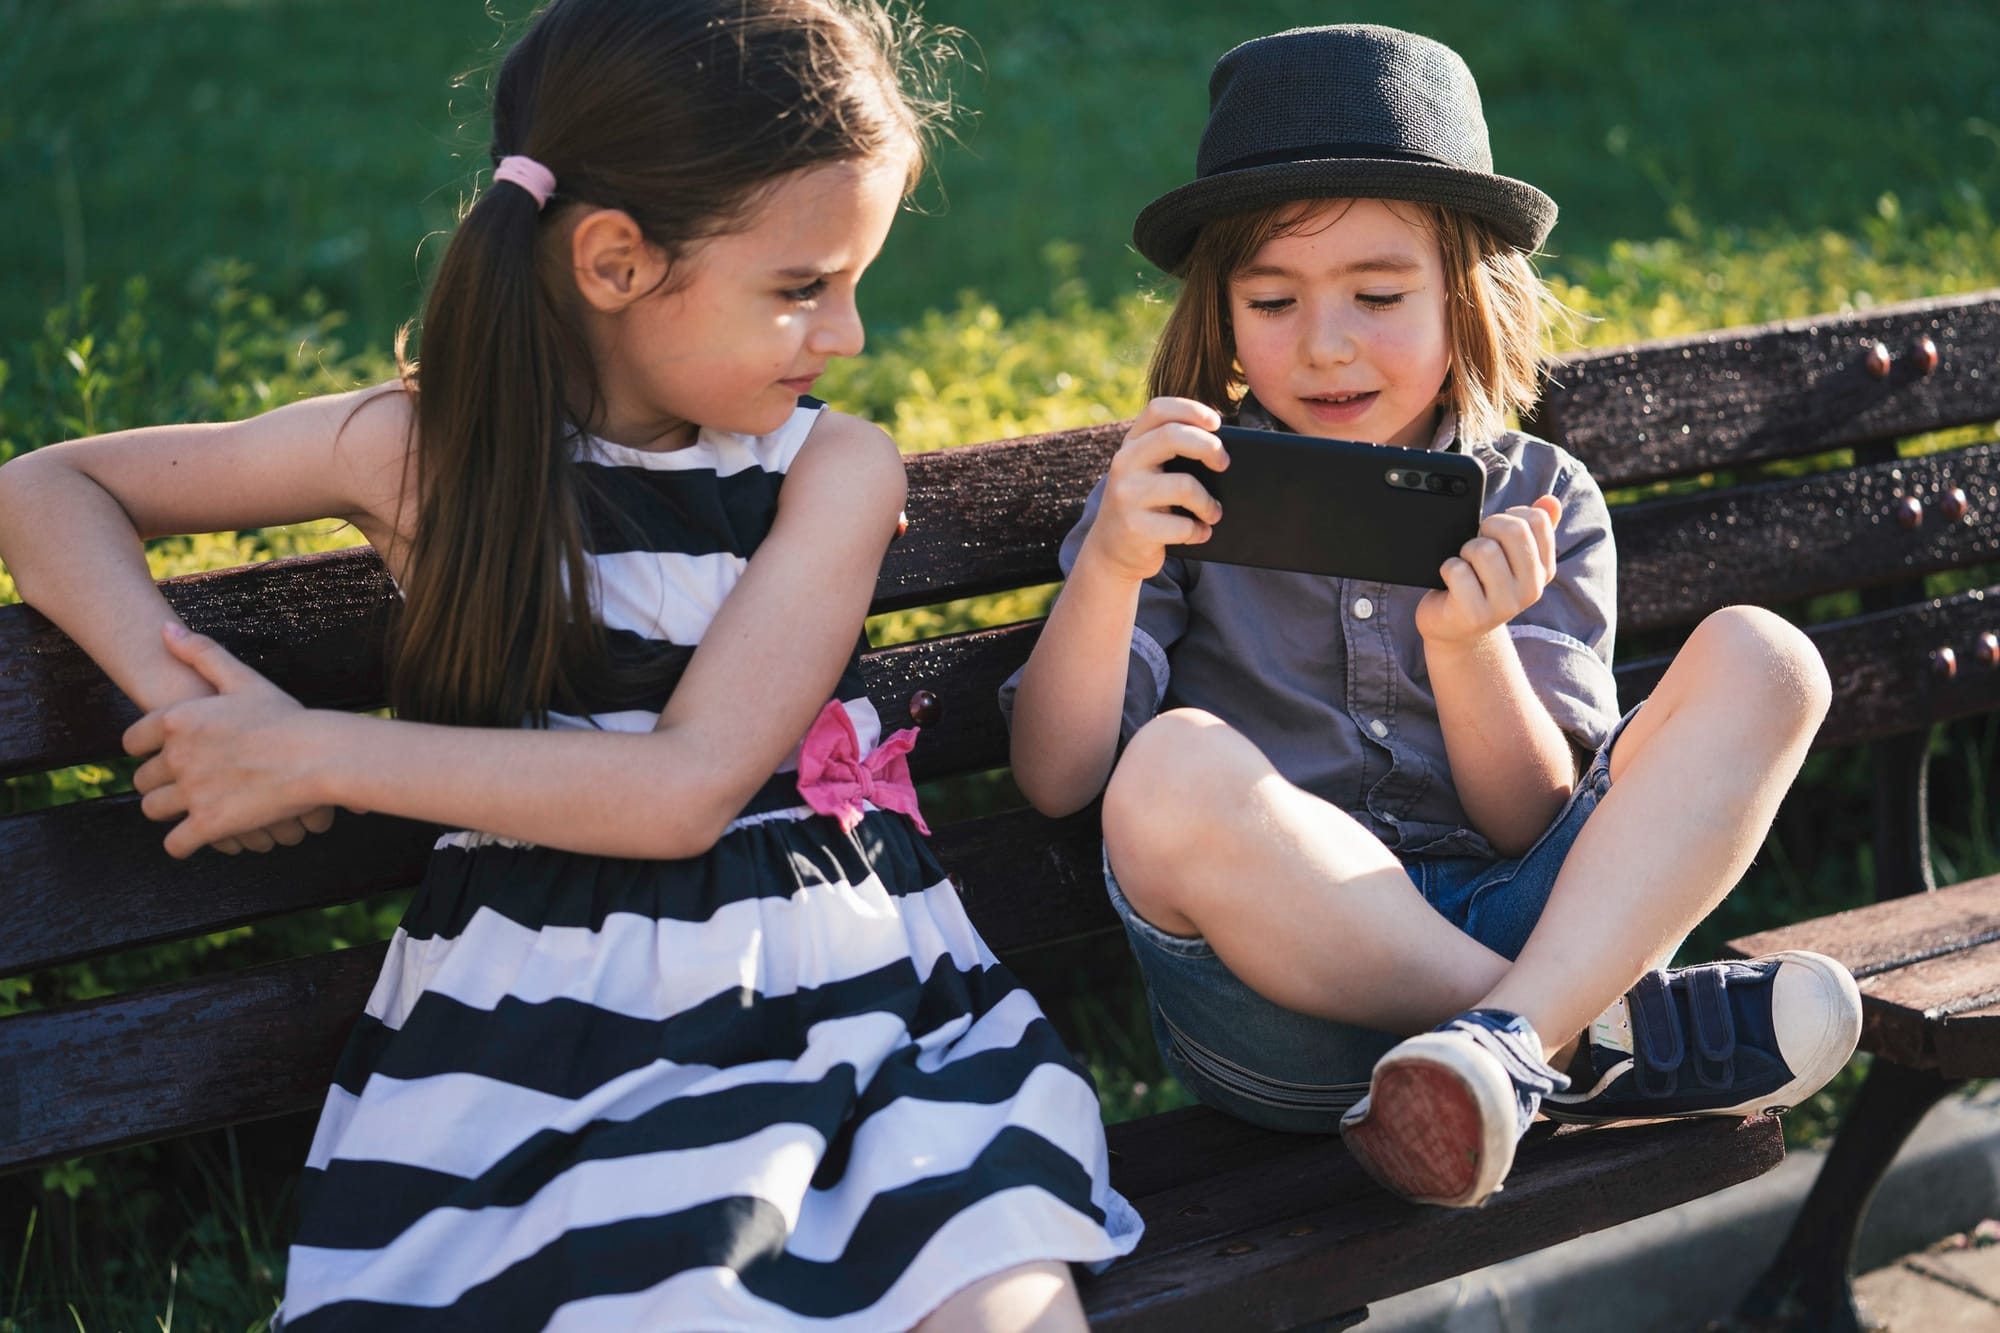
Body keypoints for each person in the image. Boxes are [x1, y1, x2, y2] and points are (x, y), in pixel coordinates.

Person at [0, 0, 1141, 1325]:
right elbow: (50, 486)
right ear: (612, 262)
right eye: (800, 289)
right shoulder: (426, 452)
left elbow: (686, 787)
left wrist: (308, 752)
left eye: (852, 284)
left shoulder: (829, 471)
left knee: (1003, 1295)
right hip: (548, 1051)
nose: (848, 337)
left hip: (853, 1025)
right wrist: (206, 705)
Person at [1002, 24, 1862, 1212]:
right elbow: (1058, 780)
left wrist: (1465, 651)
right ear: (1221, 310)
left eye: (1377, 293)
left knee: (1767, 659)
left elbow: (1529, 817)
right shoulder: (1173, 492)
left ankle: (1508, 1051)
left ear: (1465, 295)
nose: (1324, 341)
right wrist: (1106, 564)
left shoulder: (1538, 495)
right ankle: (1574, 1035)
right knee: (1164, 769)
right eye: (1272, 298)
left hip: (1511, 905)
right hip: (1277, 1007)